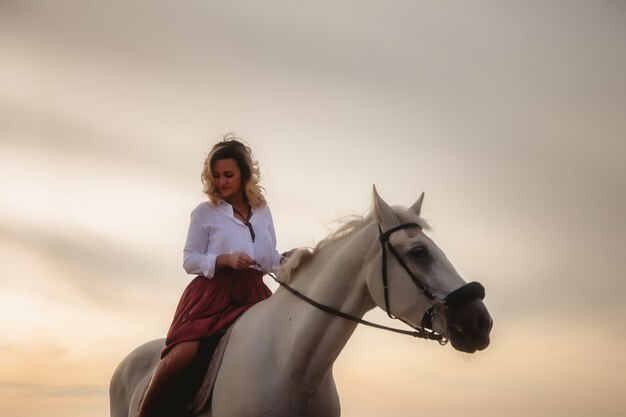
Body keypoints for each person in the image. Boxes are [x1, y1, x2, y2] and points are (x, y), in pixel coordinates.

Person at [137, 134, 284, 417]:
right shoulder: (204, 213)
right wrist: (225, 260)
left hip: (254, 294)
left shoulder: (263, 212)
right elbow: (189, 260)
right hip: (213, 294)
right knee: (183, 354)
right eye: (216, 176)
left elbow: (268, 258)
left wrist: (288, 261)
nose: (222, 182)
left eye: (228, 174)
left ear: (245, 175)